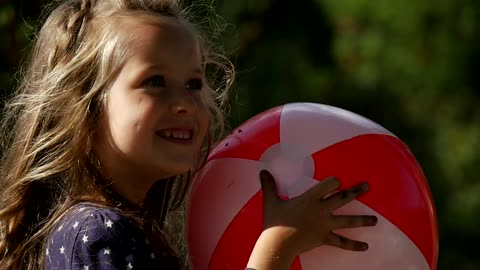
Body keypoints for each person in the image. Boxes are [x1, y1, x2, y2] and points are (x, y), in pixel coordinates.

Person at [0, 0, 378, 269]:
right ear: (84, 105)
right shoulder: (99, 235)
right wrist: (278, 244)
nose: (184, 103)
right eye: (155, 82)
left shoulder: (121, 229)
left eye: (194, 84)